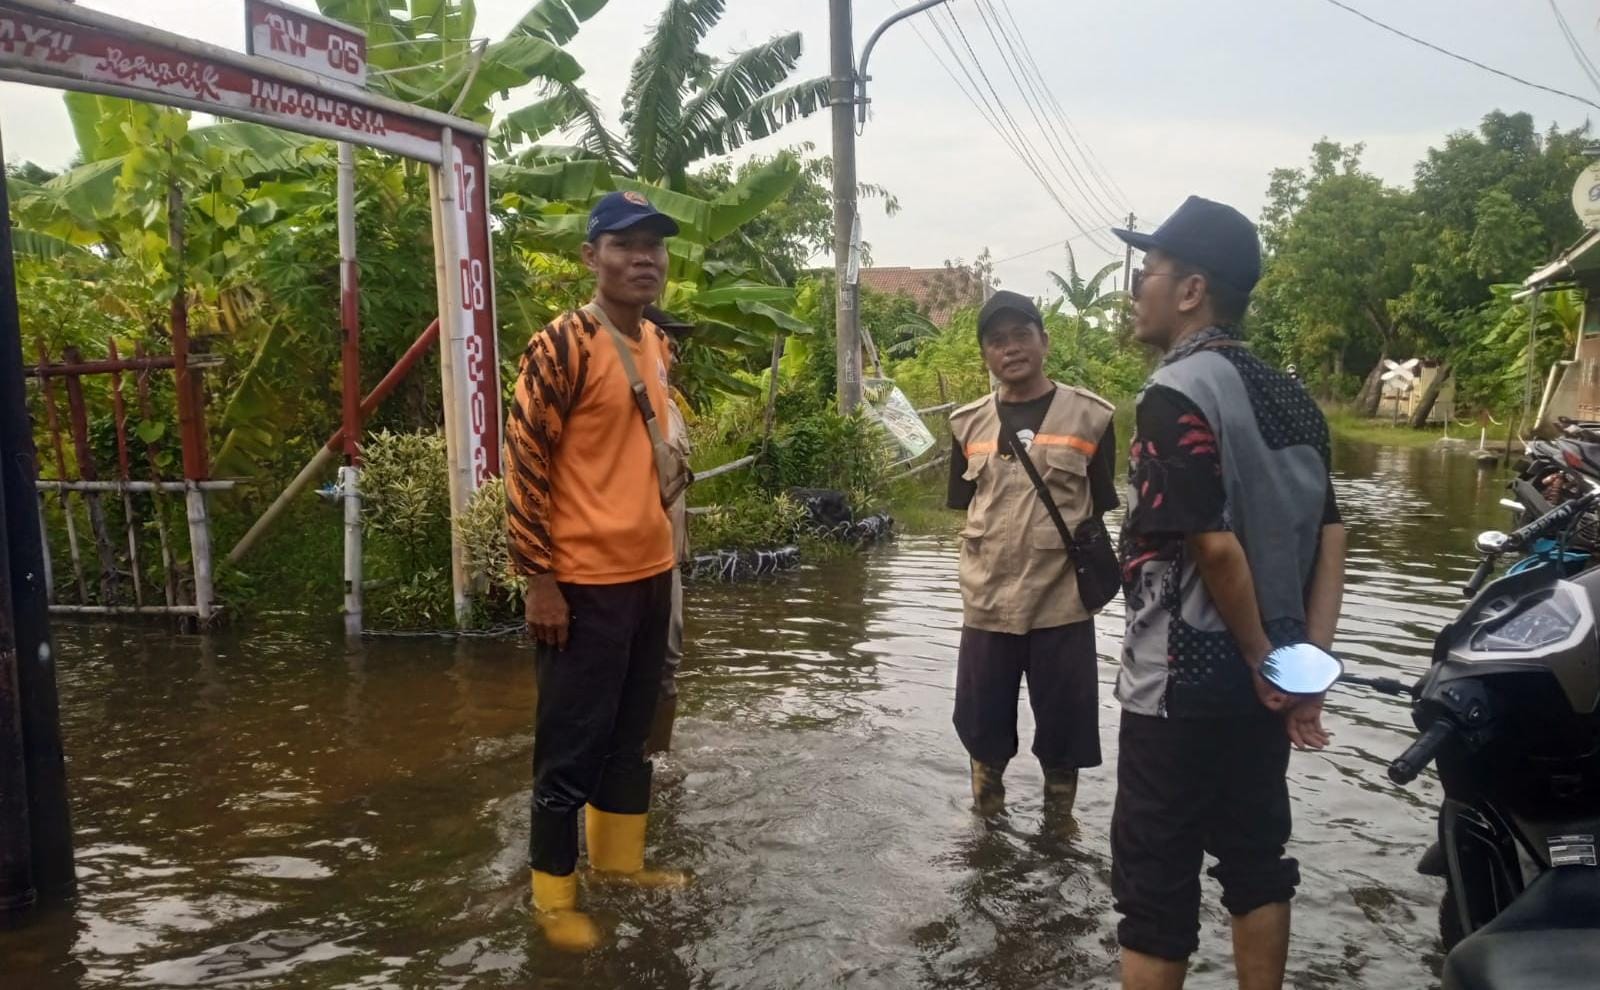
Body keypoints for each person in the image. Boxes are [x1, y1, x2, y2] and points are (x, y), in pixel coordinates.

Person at [1109, 197, 1346, 990]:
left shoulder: (1175, 391)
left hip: (1181, 680)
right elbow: (1332, 538)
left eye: (1148, 275)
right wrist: (1298, 672)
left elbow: (1211, 542)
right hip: (1271, 681)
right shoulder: (1294, 397)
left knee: (1154, 887)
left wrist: (1252, 657)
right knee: (1255, 861)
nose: (1137, 289)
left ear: (1191, 290)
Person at [505, 190, 689, 953]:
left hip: (650, 572)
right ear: (592, 258)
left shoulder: (657, 343)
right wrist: (539, 579)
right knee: (569, 744)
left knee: (631, 738)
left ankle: (619, 866)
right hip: (582, 582)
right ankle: (553, 898)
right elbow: (524, 465)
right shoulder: (561, 345)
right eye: (624, 244)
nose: (643, 258)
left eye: (654, 246)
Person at [947, 290, 1118, 820]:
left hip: (1061, 604)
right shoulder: (966, 422)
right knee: (982, 728)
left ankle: (1058, 831)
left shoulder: (1092, 417)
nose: (1011, 349)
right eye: (997, 341)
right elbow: (965, 505)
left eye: (1022, 335)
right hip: (987, 602)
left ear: (1044, 341)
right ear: (985, 354)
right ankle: (987, 825)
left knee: (1064, 732)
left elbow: (1099, 508)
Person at [645, 304, 694, 755]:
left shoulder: (670, 407)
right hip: (630, 564)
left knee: (666, 665)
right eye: (669, 344)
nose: (674, 355)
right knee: (630, 669)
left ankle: (656, 764)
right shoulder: (626, 400)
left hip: (668, 559)